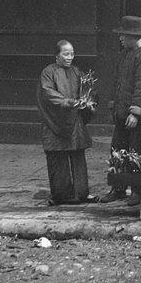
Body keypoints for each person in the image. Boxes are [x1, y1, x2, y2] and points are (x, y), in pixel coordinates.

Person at [99, 15, 141, 205]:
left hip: (136, 118)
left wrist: (135, 112)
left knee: (136, 153)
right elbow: (118, 83)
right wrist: (114, 105)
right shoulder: (125, 54)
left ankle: (137, 191)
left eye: (123, 35)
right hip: (122, 114)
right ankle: (118, 188)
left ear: (133, 35)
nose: (120, 38)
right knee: (117, 151)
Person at [36, 40, 98, 205]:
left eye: (71, 53)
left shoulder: (77, 72)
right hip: (55, 121)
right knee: (58, 156)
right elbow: (47, 92)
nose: (70, 57)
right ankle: (62, 195)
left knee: (78, 155)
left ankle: (81, 193)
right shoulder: (48, 72)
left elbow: (88, 90)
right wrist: (68, 102)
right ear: (57, 55)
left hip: (74, 120)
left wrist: (87, 101)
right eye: (65, 53)